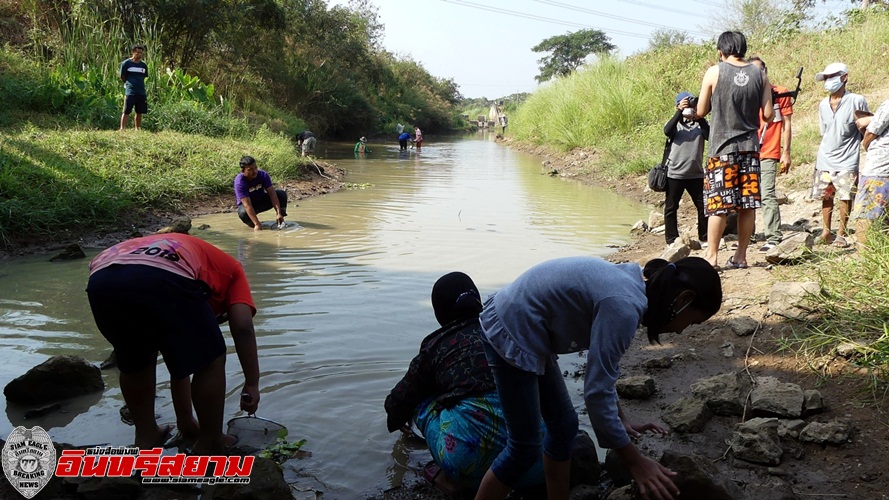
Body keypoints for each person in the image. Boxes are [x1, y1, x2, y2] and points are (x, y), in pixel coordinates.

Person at [473, 257, 722, 500]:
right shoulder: (624, 305)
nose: (681, 330)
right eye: (692, 321)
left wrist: (620, 419)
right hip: (513, 328)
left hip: (530, 324)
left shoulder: (632, 287)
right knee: (524, 449)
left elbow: (602, 374)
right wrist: (635, 462)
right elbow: (595, 393)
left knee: (564, 427)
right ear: (684, 299)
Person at [86, 233, 261, 454]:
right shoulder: (234, 271)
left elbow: (180, 364)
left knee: (135, 358)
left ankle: (147, 434)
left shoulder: (196, 264)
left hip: (102, 277)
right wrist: (252, 383)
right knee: (211, 359)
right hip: (164, 272)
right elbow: (243, 326)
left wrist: (186, 422)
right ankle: (211, 440)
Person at [385, 272, 544, 495]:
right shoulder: (508, 328)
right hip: (542, 462)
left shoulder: (436, 345)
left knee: (420, 397)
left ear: (439, 312)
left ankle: (453, 482)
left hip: (468, 465)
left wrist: (401, 417)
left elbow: (396, 403)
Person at [695, 31, 773, 269]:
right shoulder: (760, 74)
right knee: (747, 204)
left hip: (721, 148)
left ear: (721, 50)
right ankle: (740, 256)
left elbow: (700, 111)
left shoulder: (714, 71)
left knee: (719, 205)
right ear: (743, 48)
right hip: (750, 148)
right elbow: (768, 114)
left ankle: (712, 256)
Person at [813, 62, 869, 248]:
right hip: (825, 158)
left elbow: (864, 127)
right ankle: (826, 231)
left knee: (845, 196)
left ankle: (841, 233)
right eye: (826, 78)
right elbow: (825, 131)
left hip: (847, 159)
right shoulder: (823, 104)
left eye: (832, 77)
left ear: (844, 77)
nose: (828, 81)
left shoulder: (856, 100)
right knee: (826, 196)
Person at [749, 56, 794, 253]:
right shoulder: (747, 94)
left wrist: (786, 153)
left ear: (766, 71)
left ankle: (774, 236)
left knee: (767, 193)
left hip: (769, 151)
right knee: (748, 196)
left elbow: (787, 124)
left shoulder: (780, 93)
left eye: (760, 71)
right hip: (748, 151)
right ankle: (748, 236)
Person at [663, 91, 709, 245]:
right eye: (686, 105)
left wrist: (699, 116)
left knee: (703, 206)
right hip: (675, 173)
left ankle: (704, 236)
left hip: (695, 174)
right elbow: (667, 131)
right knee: (671, 207)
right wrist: (679, 112)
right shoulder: (675, 124)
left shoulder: (699, 124)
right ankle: (671, 239)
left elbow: (709, 135)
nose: (690, 108)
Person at [851, 100, 889, 248]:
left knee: (865, 216)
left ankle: (865, 258)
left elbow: (871, 132)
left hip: (879, 169)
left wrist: (867, 145)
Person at [234, 156, 287, 231]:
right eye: (250, 170)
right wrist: (257, 224)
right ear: (243, 171)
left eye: (255, 168)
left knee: (281, 194)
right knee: (243, 212)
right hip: (249, 206)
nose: (254, 171)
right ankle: (255, 225)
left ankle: (280, 220)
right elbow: (247, 205)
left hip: (261, 201)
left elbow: (272, 193)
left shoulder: (262, 175)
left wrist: (278, 213)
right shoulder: (240, 182)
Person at [119, 44, 148, 131]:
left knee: (139, 112)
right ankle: (122, 128)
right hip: (130, 91)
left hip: (141, 92)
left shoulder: (143, 65)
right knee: (126, 110)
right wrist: (128, 83)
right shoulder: (126, 64)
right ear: (133, 52)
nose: (139, 54)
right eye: (137, 52)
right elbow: (122, 76)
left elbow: (144, 77)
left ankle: (137, 128)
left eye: (141, 53)